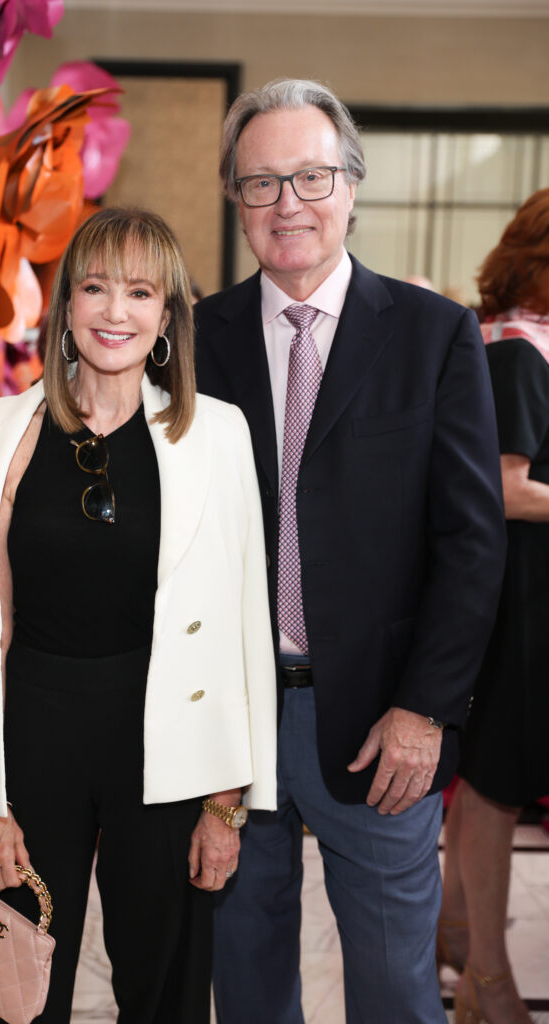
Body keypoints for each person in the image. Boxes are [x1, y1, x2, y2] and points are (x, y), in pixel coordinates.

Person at [194, 78, 507, 1024]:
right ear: (235, 200)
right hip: (230, 730)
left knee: (392, 992)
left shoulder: (433, 334)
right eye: (260, 183)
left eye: (310, 176)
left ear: (352, 185)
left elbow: (470, 539)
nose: (287, 203)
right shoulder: (194, 338)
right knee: (243, 986)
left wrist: (423, 710)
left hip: (380, 725)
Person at [0, 207, 278, 1024]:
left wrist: (226, 805)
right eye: (95, 287)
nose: (115, 311)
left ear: (165, 316)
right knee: (16, 995)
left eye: (140, 291)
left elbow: (237, 633)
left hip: (167, 749)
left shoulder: (216, 435)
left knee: (163, 987)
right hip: (31, 740)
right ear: (66, 304)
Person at [440, 189, 549, 1024]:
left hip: (525, 594)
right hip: (517, 601)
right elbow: (507, 489)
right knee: (493, 784)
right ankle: (486, 976)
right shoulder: (517, 348)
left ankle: (453, 932)